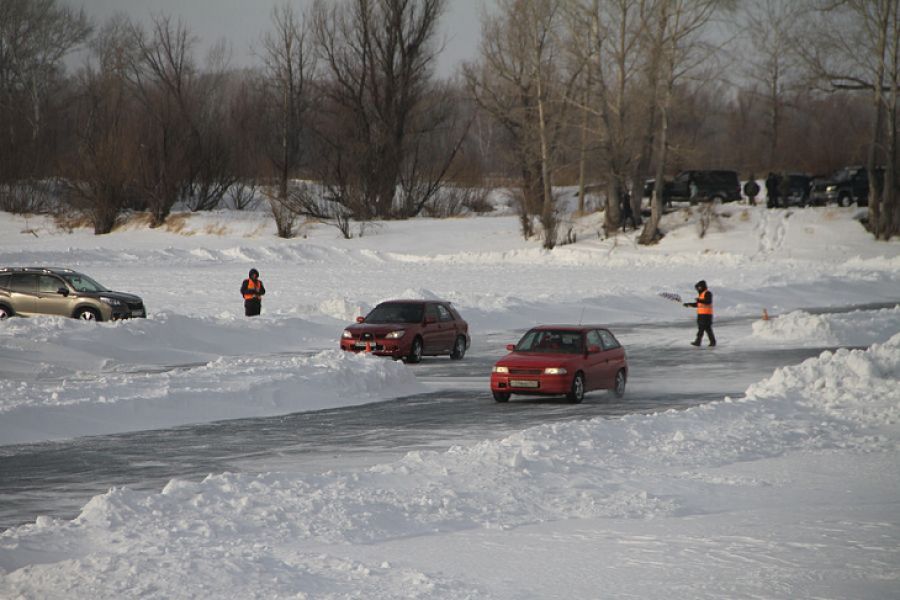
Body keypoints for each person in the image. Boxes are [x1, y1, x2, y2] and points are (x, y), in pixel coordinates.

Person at [683, 280, 716, 347]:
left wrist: (699, 300)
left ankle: (698, 342)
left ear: (703, 286)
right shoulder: (701, 295)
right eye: (698, 287)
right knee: (707, 329)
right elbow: (698, 304)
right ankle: (712, 342)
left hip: (706, 315)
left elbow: (708, 302)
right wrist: (689, 304)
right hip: (701, 315)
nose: (698, 289)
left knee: (702, 329)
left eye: (699, 287)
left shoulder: (707, 293)